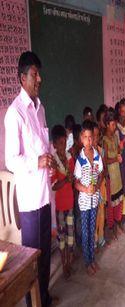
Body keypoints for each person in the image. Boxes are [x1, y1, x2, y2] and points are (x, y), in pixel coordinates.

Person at [4, 51, 55, 306]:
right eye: (34, 74)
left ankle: (43, 297)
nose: (39, 79)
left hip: (45, 195)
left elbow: (45, 146)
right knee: (31, 258)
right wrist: (37, 162)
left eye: (39, 74)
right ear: (22, 78)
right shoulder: (15, 113)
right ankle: (32, 302)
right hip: (30, 201)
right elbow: (11, 160)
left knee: (45, 253)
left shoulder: (40, 108)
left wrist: (52, 160)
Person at [74, 120, 103, 276]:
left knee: (92, 231)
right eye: (85, 137)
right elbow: (76, 183)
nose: (88, 140)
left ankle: (92, 259)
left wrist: (97, 186)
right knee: (85, 233)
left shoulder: (97, 155)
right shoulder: (80, 159)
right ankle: (87, 262)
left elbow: (100, 175)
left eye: (91, 137)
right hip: (84, 203)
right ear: (81, 139)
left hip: (95, 200)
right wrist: (85, 189)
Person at [51, 125, 75, 279]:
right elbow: (54, 186)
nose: (63, 146)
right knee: (62, 238)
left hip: (70, 204)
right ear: (54, 144)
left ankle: (69, 261)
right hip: (60, 207)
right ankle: (64, 262)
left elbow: (72, 178)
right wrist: (67, 179)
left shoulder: (69, 158)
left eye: (65, 143)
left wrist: (70, 178)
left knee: (70, 235)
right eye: (60, 143)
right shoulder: (53, 162)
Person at [103, 108, 124, 239]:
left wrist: (119, 154)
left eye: (115, 124)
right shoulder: (104, 140)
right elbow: (105, 160)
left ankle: (118, 222)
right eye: (112, 124)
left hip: (117, 173)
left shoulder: (115, 137)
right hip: (110, 175)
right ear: (107, 124)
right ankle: (112, 228)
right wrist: (116, 158)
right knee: (111, 203)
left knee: (119, 200)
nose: (114, 126)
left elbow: (117, 151)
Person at [92, 122, 107, 248]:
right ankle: (94, 238)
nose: (95, 139)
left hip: (101, 186)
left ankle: (101, 236)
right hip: (92, 188)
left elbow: (104, 169)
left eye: (97, 136)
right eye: (93, 136)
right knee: (94, 214)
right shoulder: (88, 154)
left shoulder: (101, 151)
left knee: (101, 212)